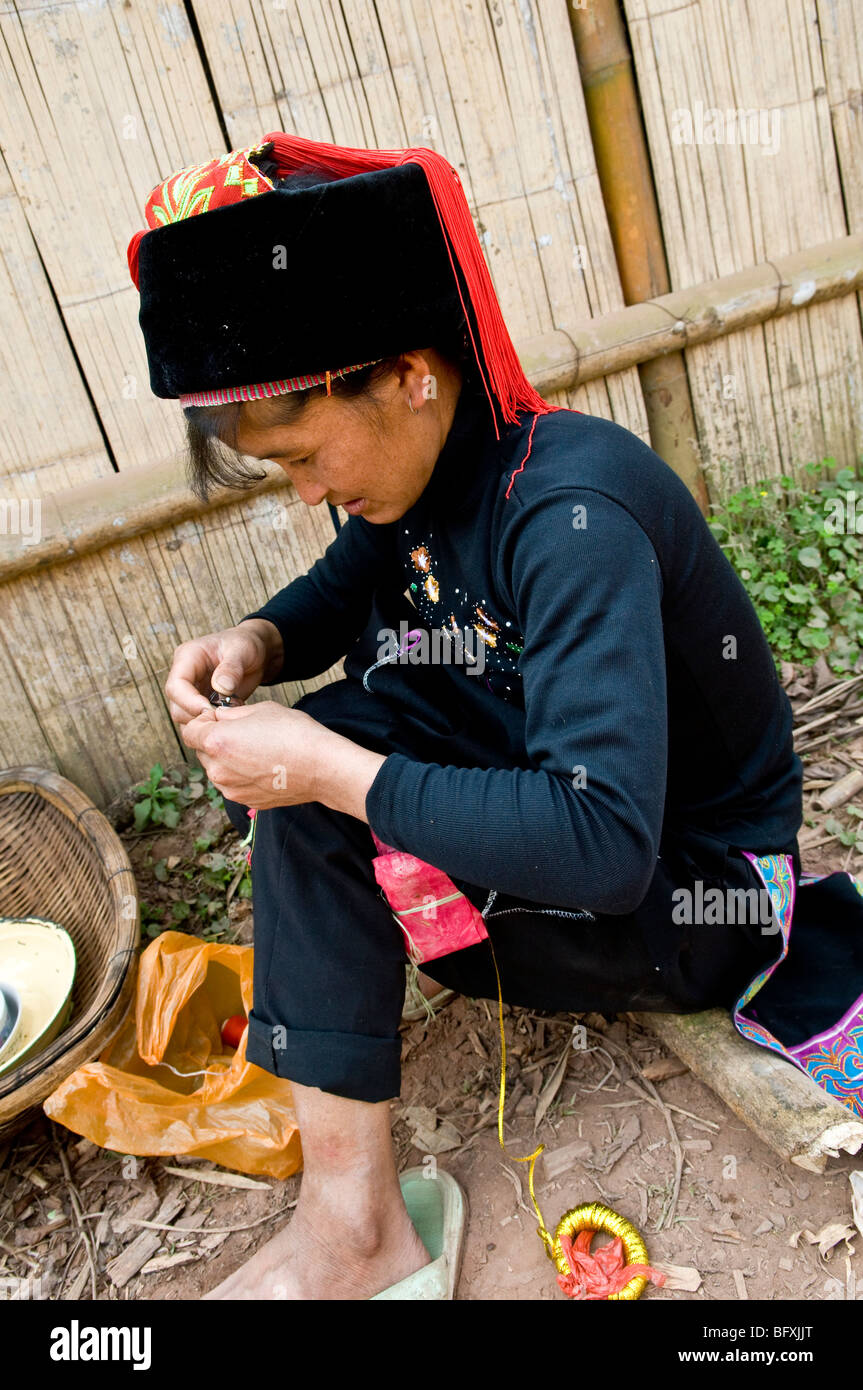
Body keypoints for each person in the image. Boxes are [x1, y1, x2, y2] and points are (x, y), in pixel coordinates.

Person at [129, 132, 805, 1299]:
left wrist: (339, 774)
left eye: (300, 454)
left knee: (329, 780)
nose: (302, 492)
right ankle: (354, 1226)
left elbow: (598, 844)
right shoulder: (434, 463)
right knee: (316, 779)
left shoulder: (569, 515)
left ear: (406, 372)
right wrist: (259, 642)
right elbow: (347, 583)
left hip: (693, 892)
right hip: (582, 817)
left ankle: (350, 1239)